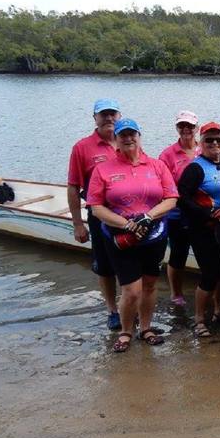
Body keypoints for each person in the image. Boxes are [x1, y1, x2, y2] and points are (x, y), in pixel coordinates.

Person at [86, 119, 179, 352]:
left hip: (154, 234)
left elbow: (171, 198)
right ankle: (126, 331)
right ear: (116, 140)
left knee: (149, 285)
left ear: (139, 136)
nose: (128, 139)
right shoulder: (103, 169)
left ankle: (145, 328)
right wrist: (127, 224)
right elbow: (96, 206)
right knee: (132, 290)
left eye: (132, 134)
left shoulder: (157, 165)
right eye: (122, 135)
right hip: (120, 237)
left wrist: (148, 217)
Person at [177, 122, 220, 338]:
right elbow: (182, 199)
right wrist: (209, 213)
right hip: (204, 229)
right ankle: (199, 318)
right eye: (209, 139)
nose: (214, 143)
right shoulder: (195, 168)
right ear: (201, 142)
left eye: (219, 139)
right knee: (210, 274)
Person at [67, 98, 122, 330]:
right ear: (95, 118)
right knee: (105, 266)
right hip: (99, 216)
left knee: (130, 263)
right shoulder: (83, 147)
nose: (108, 118)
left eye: (112, 113)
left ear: (119, 116)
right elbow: (73, 187)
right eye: (103, 114)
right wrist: (78, 224)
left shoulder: (127, 140)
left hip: (128, 215)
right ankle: (112, 310)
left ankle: (131, 305)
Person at [158, 110, 199, 306]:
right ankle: (176, 293)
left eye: (190, 126)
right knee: (178, 254)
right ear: (177, 128)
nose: (186, 129)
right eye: (182, 126)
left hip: (201, 213)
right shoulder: (167, 155)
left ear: (196, 128)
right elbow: (163, 185)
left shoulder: (205, 149)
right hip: (177, 214)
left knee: (205, 252)